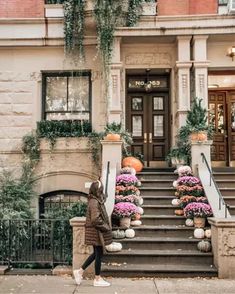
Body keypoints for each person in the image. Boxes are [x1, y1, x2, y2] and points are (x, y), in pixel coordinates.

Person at [73, 180, 113, 287]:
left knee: (97, 254)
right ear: (98, 190)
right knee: (98, 254)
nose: (102, 191)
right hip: (96, 232)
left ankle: (80, 271)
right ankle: (97, 278)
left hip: (96, 231)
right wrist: (106, 227)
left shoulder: (95, 200)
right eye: (101, 189)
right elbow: (95, 220)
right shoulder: (94, 202)